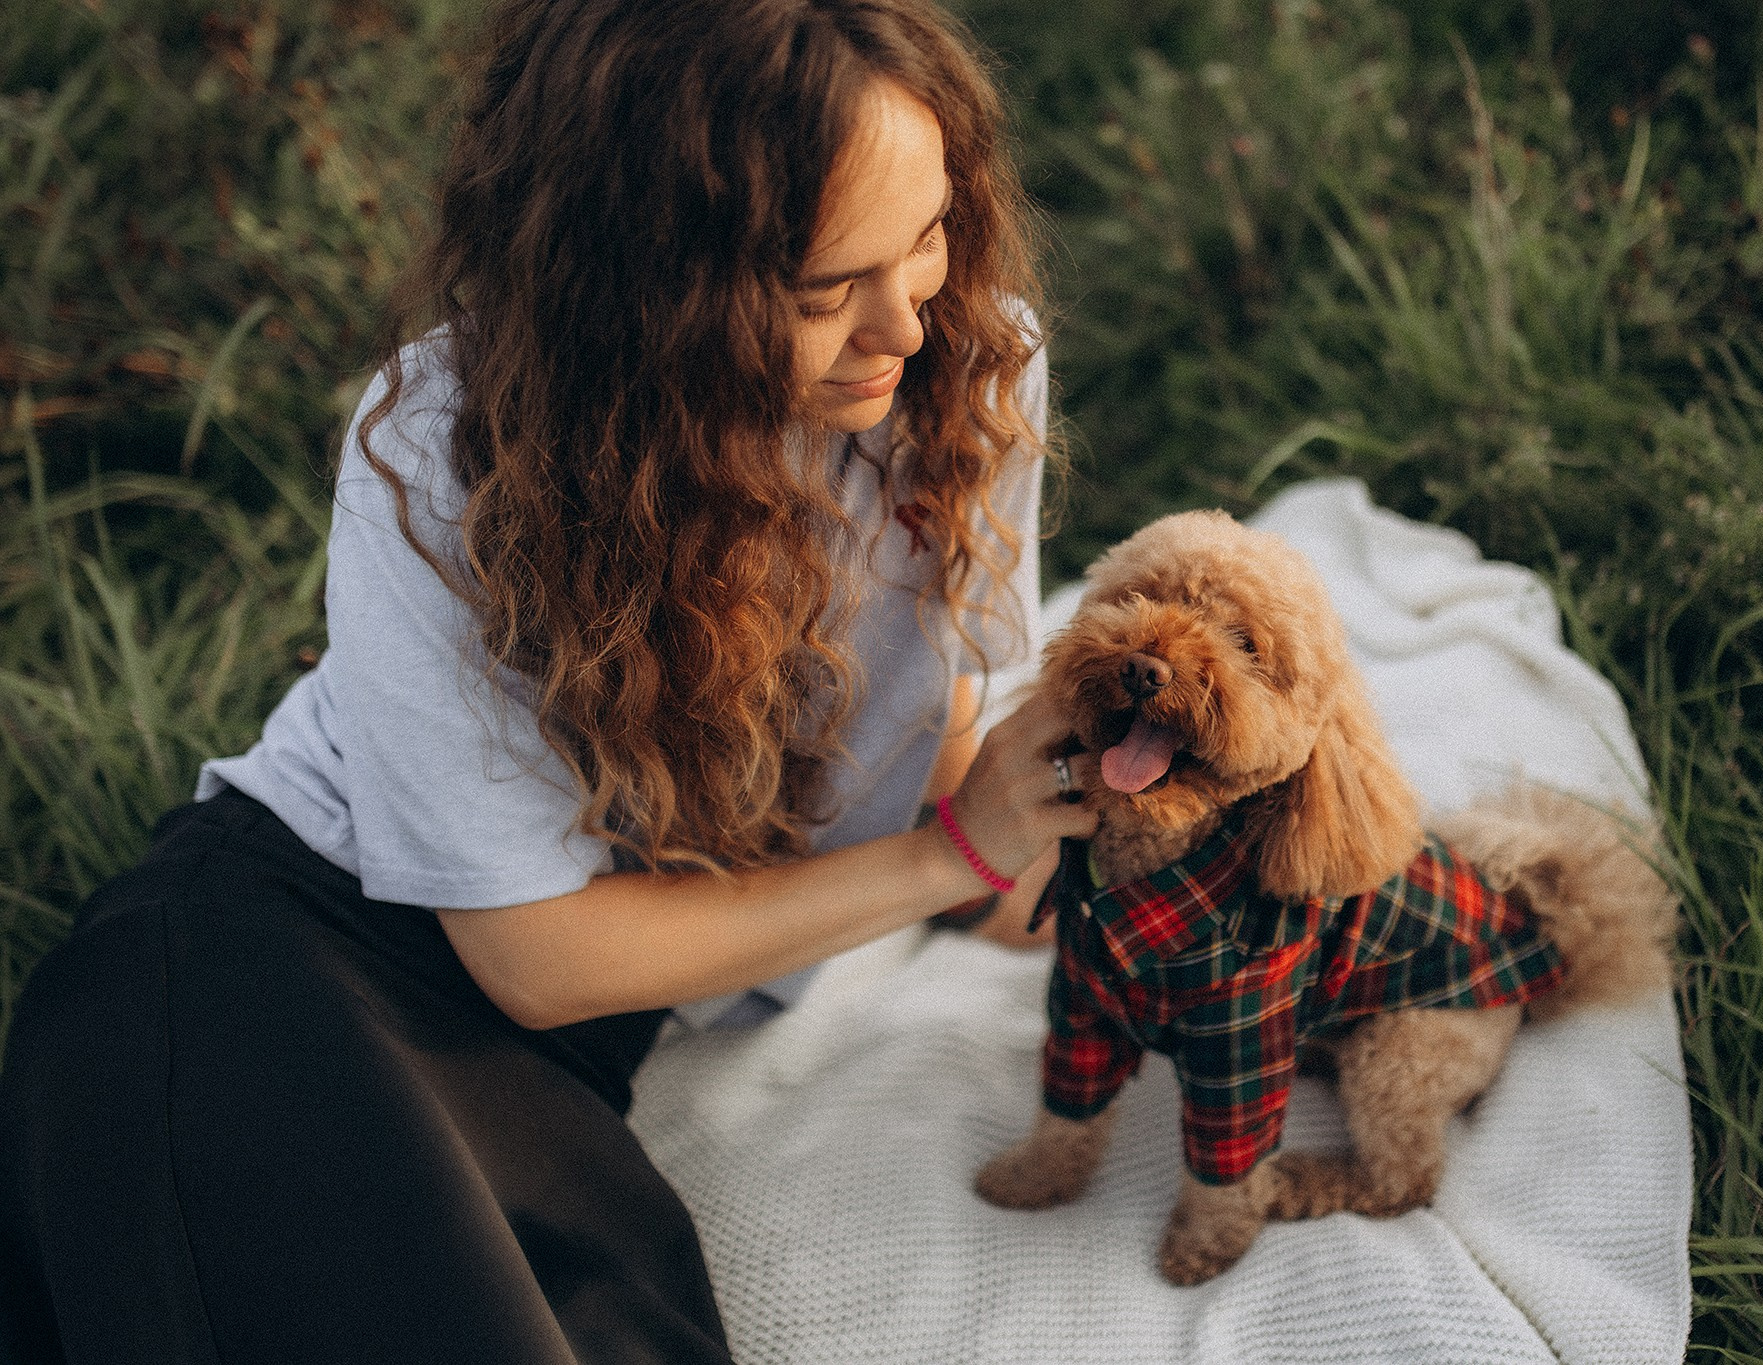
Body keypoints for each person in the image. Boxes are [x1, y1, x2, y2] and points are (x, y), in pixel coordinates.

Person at [0, 1, 1097, 1360]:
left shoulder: (973, 372)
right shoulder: (450, 437)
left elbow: (933, 750)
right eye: (825, 289)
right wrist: (948, 864)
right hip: (285, 948)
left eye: (929, 232)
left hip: (563, 1051)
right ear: (654, 288)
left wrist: (1087, 875)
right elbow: (535, 952)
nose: (905, 323)